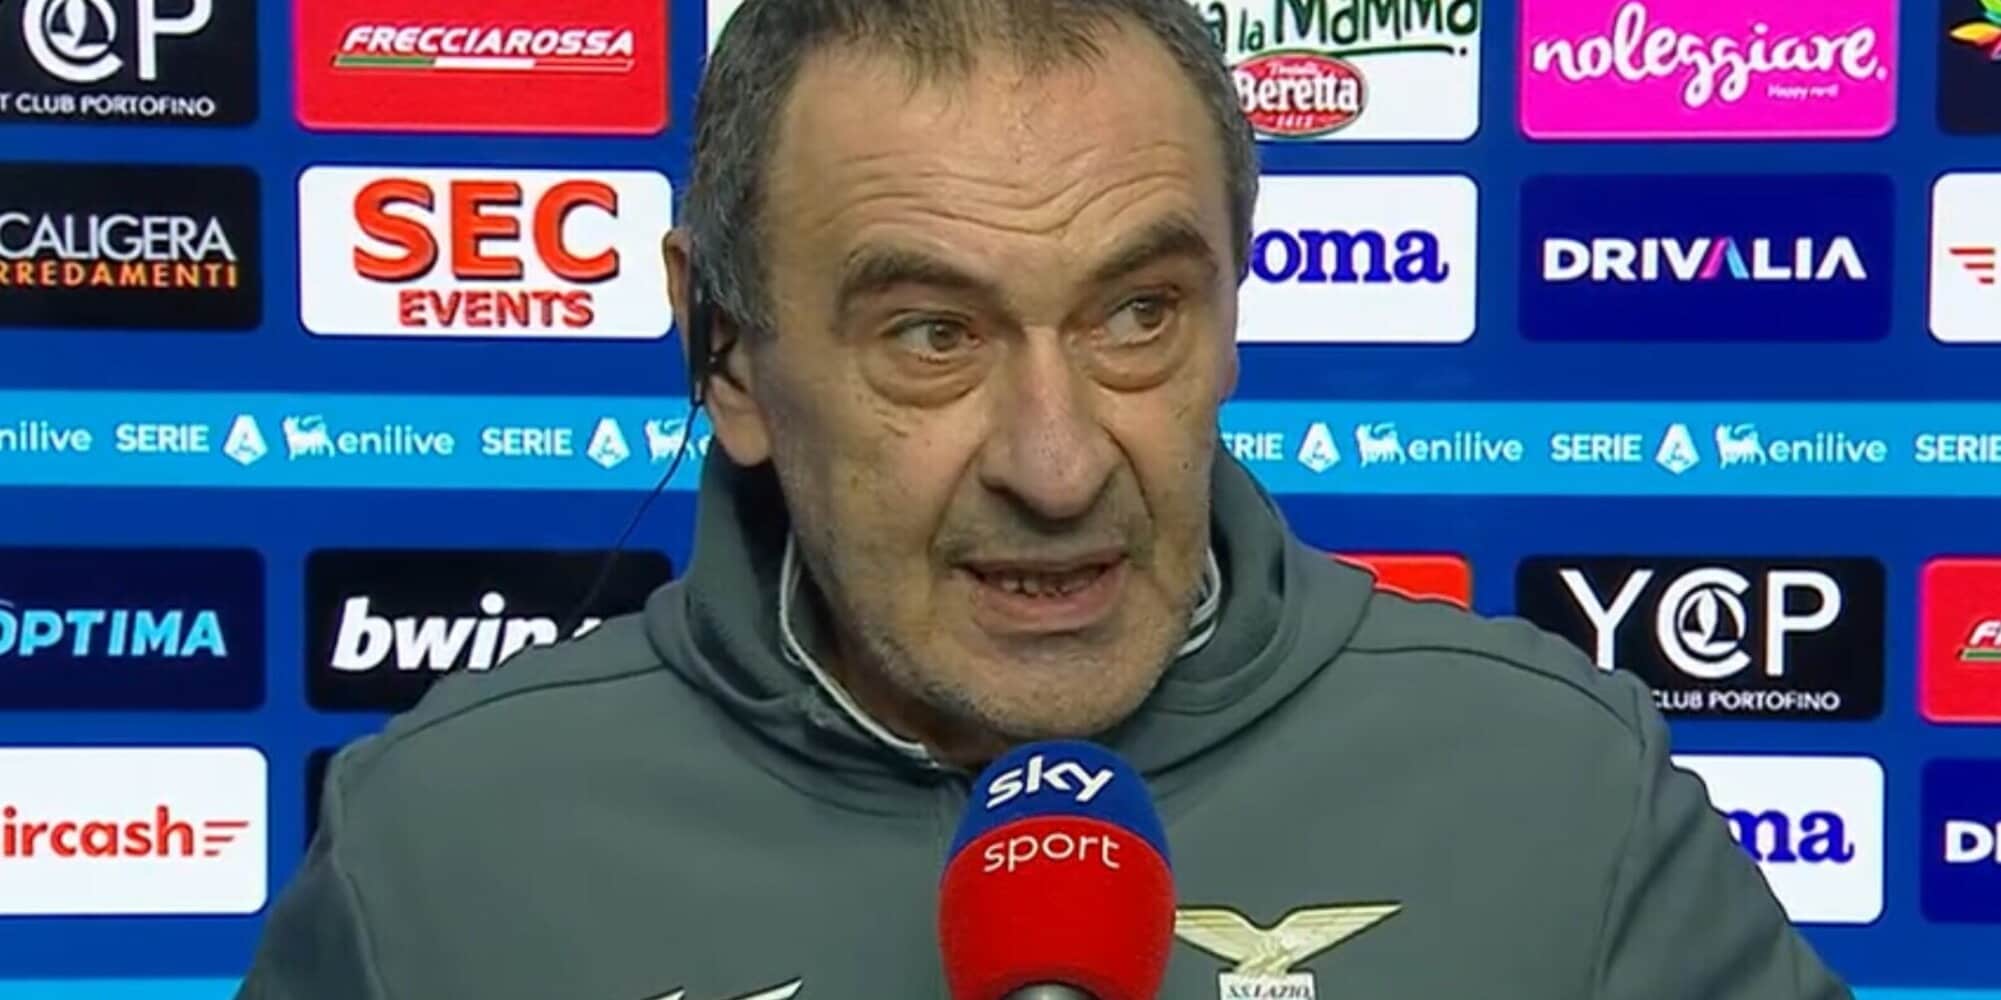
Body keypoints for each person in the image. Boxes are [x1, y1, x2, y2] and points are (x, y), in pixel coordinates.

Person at [238, 1, 1853, 997]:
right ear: (725, 353)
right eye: (929, 335)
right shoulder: (445, 841)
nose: (1058, 462)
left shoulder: (1556, 784)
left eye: (1135, 314)